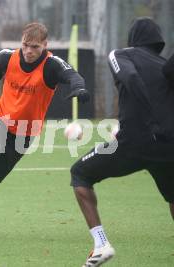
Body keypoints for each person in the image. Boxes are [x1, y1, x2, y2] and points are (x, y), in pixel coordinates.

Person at [0, 22, 90, 235]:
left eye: (35, 47)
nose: (29, 51)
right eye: (26, 45)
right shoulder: (7, 57)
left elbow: (73, 76)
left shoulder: (51, 65)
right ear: (21, 42)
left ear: (45, 45)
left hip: (26, 132)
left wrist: (80, 89)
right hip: (0, 117)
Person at [70, 17, 174, 267]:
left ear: (133, 39)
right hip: (168, 145)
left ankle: (101, 244)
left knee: (80, 174)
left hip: (133, 142)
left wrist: (146, 113)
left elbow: (129, 78)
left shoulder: (122, 54)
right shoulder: (164, 66)